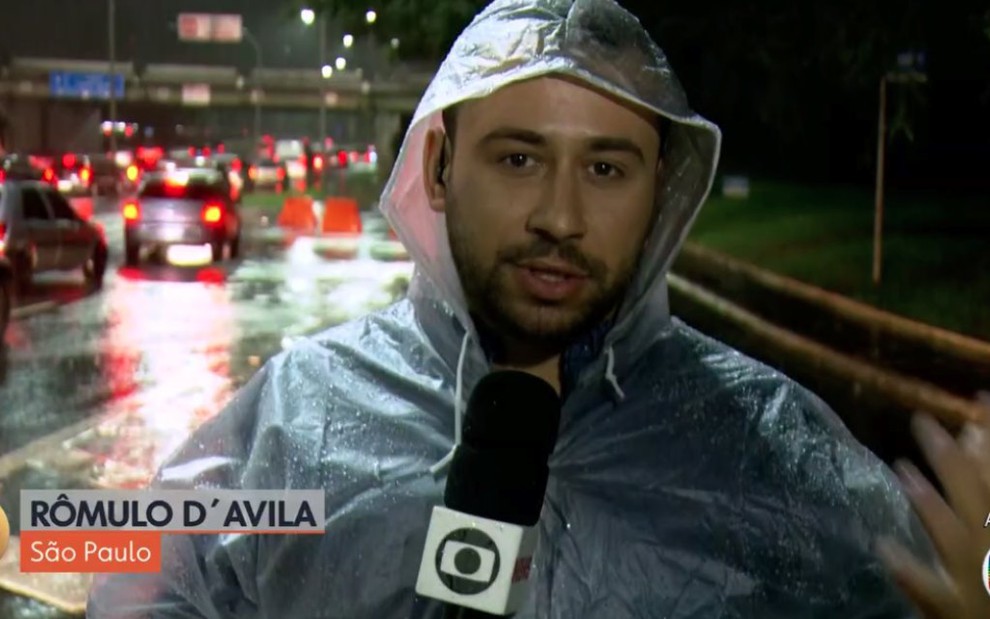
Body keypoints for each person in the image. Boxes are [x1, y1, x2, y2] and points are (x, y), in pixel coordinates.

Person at [88, 0, 966, 616]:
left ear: (659, 193)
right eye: (517, 159)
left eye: (606, 168)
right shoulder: (300, 417)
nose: (559, 215)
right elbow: (116, 558)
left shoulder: (768, 443)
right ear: (438, 168)